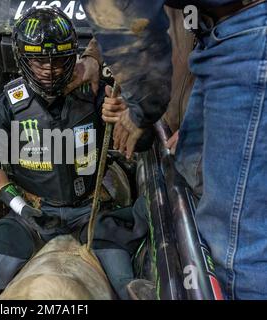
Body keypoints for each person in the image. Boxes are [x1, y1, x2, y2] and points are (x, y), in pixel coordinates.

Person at [77, 0, 267, 299]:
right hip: (226, 33)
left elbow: (122, 9)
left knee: (236, 249)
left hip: (246, 34)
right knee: (210, 219)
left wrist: (141, 110)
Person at [0, 7, 149, 300]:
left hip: (92, 213)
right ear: (23, 60)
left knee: (127, 286)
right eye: (39, 61)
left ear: (74, 55)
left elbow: (141, 143)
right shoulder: (7, 106)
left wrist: (126, 118)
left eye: (60, 60)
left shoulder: (97, 94)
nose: (50, 70)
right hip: (31, 216)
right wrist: (21, 207)